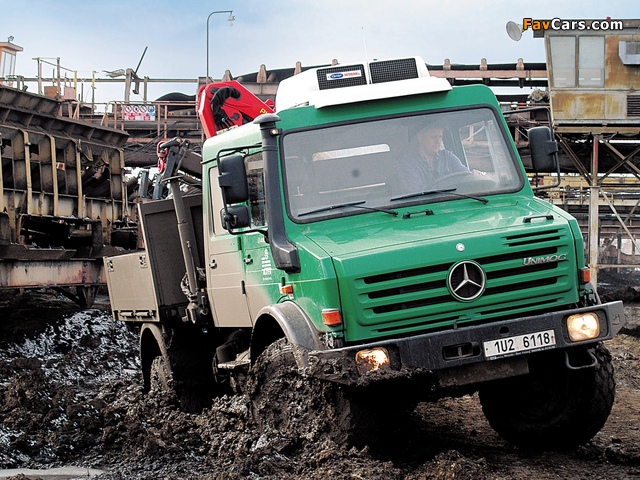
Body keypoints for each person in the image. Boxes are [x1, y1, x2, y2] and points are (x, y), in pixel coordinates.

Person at [399, 123, 470, 192]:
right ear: (420, 137)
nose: (438, 142)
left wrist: (473, 175)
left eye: (440, 137)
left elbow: (465, 176)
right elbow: (417, 194)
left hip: (452, 201)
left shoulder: (448, 157)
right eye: (433, 137)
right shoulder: (408, 164)